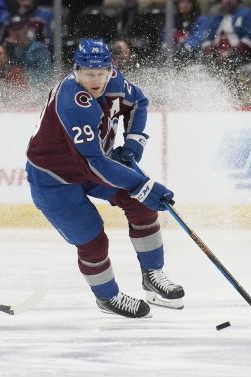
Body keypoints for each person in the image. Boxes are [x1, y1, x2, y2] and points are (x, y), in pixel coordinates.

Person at [25, 39, 184, 318]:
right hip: (54, 179)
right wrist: (141, 185)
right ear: (76, 70)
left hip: (92, 165)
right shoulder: (73, 100)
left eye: (101, 73)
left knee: (141, 205)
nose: (95, 80)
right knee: (93, 240)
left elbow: (138, 101)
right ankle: (107, 298)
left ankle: (153, 275)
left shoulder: (114, 80)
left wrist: (134, 141)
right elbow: (94, 163)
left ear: (110, 69)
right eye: (88, 73)